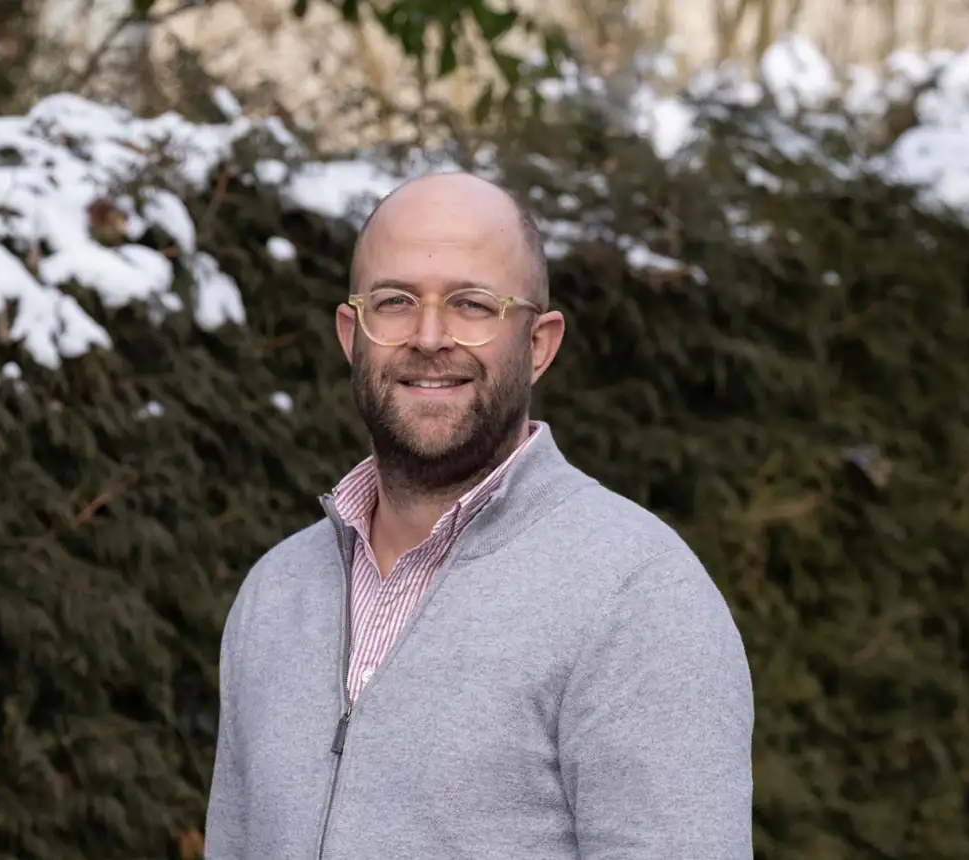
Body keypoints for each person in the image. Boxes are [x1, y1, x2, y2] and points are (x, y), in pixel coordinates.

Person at [204, 172, 754, 859]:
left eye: (472, 304)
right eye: (396, 300)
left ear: (540, 343)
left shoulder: (638, 595)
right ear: (352, 334)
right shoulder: (275, 594)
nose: (430, 336)